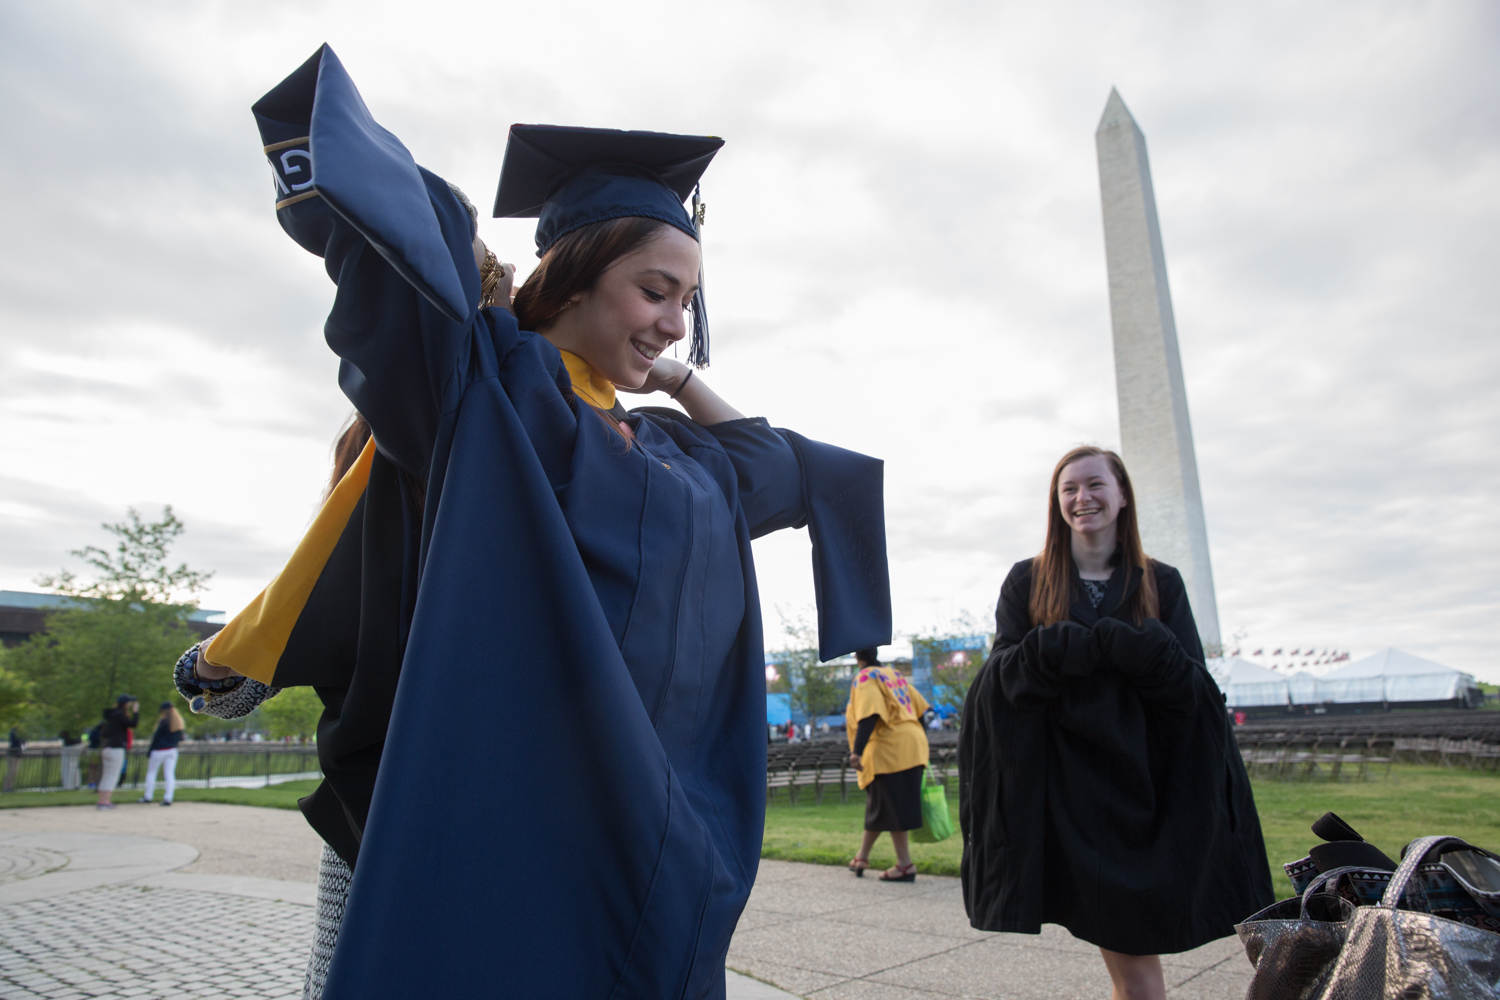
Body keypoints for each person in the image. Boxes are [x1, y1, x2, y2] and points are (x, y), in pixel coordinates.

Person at [176, 44, 892, 1000]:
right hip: (457, 829)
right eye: (654, 290)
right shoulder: (488, 395)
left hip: (617, 842)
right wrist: (484, 280)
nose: (676, 322)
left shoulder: (666, 451)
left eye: (689, 301)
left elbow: (783, 468)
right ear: (578, 274)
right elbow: (405, 245)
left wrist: (674, 376)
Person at [959, 447, 1272, 1000]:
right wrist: (1055, 650)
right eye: (1069, 489)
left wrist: (1138, 647)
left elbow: (1196, 694)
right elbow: (999, 684)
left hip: (1145, 795)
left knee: (1132, 964)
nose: (1083, 498)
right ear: (1056, 504)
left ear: (1123, 493)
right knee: (1131, 966)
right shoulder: (1027, 581)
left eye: (1095, 485)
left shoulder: (1162, 582)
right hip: (1067, 796)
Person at [845, 649, 930, 881]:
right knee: (887, 806)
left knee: (887, 806)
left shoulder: (865, 677)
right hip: (913, 744)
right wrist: (918, 740)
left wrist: (857, 752)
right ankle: (864, 857)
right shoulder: (893, 675)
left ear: (857, 657)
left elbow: (869, 715)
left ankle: (904, 864)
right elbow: (920, 711)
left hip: (889, 749)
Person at [96, 695, 138, 809]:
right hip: (116, 748)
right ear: (126, 704)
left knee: (107, 775)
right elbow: (133, 724)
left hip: (107, 747)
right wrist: (135, 712)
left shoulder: (112, 715)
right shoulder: (119, 715)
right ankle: (105, 802)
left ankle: (102, 801)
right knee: (112, 776)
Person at [139, 703, 185, 805]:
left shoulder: (163, 721)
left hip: (159, 750)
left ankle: (148, 796)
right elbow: (179, 739)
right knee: (169, 774)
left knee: (151, 773)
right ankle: (168, 798)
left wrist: (150, 751)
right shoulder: (178, 723)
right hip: (172, 750)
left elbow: (156, 737)